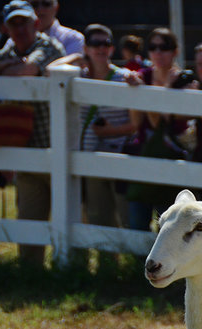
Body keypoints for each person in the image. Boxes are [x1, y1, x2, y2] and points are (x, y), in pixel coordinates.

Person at [0, 0, 66, 267]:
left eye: (24, 22)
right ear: (7, 27)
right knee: (29, 220)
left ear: (35, 23)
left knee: (68, 218)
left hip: (58, 148)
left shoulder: (48, 46)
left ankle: (67, 269)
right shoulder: (10, 49)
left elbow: (27, 71)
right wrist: (6, 65)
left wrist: (3, 68)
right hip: (28, 150)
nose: (20, 28)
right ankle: (31, 272)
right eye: (14, 23)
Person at [47, 24, 136, 231]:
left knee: (125, 216)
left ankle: (131, 262)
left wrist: (109, 131)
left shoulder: (124, 77)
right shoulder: (78, 77)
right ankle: (107, 261)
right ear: (86, 48)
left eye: (106, 43)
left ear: (112, 49)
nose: (101, 48)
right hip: (88, 156)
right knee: (98, 218)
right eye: (95, 44)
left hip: (119, 155)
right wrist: (75, 58)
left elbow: (135, 125)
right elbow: (51, 71)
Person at [123, 27, 189, 231]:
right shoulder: (142, 76)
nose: (158, 53)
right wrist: (136, 93)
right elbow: (136, 122)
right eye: (153, 47)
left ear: (175, 51)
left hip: (172, 158)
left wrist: (164, 89)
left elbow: (164, 121)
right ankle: (135, 262)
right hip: (143, 154)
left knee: (169, 227)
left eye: (165, 47)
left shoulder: (185, 80)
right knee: (137, 221)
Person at [12, 0, 83, 56]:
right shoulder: (16, 39)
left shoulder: (73, 39)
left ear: (56, 8)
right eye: (34, 4)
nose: (40, 9)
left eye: (46, 4)